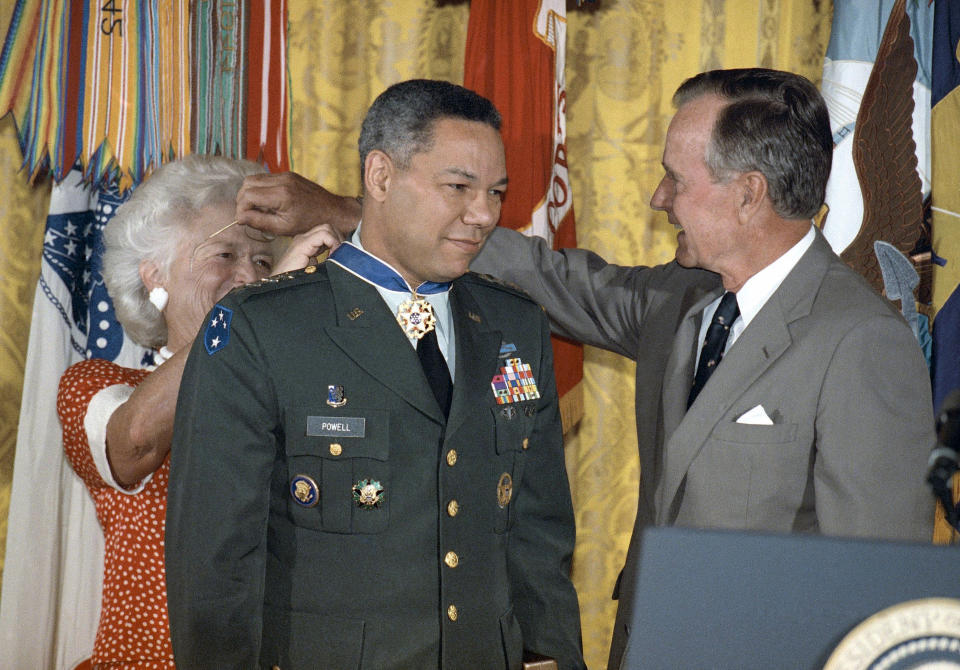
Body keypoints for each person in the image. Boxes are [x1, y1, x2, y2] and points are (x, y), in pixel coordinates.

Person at [469, 68, 937, 668]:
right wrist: (373, 219)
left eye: (674, 178)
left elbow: (878, 595)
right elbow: (554, 280)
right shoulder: (683, 296)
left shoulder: (863, 341)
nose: (657, 198)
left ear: (747, 193)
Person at [164, 79, 584, 669]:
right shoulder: (266, 328)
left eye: (496, 191)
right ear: (380, 176)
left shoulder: (515, 324)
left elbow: (539, 542)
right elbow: (215, 564)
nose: (485, 213)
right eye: (458, 187)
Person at [56, 154, 339, 668]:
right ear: (153, 275)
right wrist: (257, 303)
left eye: (262, 261)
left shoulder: (303, 392)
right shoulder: (97, 385)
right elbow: (134, 441)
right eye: (224, 254)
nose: (249, 274)